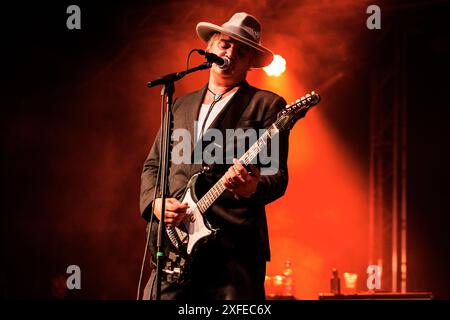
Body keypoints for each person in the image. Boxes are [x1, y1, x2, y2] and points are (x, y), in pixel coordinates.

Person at [140, 12, 289, 300]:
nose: (231, 52)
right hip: (175, 246)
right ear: (209, 49)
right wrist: (155, 203)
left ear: (250, 63)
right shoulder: (179, 105)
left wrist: (252, 187)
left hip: (233, 255)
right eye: (225, 44)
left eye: (242, 50)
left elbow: (277, 175)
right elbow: (153, 165)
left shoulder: (266, 105)